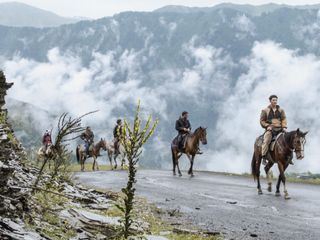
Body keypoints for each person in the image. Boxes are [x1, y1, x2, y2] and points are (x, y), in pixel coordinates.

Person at [260, 95, 293, 165]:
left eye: (276, 100)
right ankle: (264, 157)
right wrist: (267, 126)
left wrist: (284, 127)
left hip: (280, 129)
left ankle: (289, 157)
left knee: (289, 139)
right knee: (266, 140)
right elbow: (262, 121)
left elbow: (284, 119)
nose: (275, 101)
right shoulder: (265, 110)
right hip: (270, 129)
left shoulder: (281, 110)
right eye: (273, 100)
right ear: (270, 101)